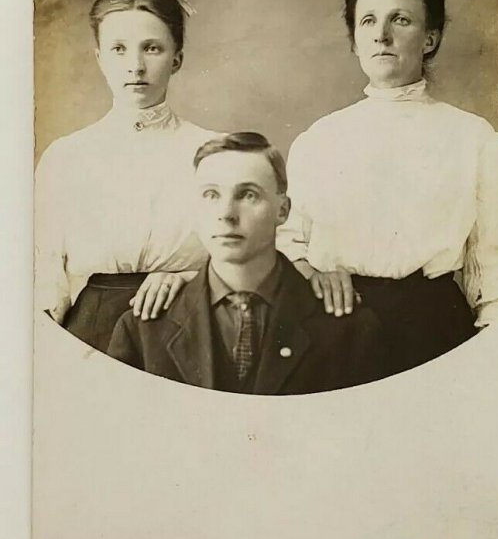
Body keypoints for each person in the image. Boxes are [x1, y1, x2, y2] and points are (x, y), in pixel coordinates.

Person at [277, 0, 498, 375]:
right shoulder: (319, 139)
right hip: (337, 329)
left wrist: (491, 355)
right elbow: (288, 243)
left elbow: (495, 272)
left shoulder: (475, 139)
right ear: (354, 40)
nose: (381, 35)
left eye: (400, 20)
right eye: (367, 21)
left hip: (433, 331)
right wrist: (310, 273)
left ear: (429, 39)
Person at [107, 132, 391, 394]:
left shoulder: (349, 330)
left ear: (283, 210)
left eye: (248, 195)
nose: (227, 214)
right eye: (211, 195)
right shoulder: (143, 328)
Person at [35, 0, 219, 353]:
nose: (135, 65)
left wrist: (188, 278)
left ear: (177, 59)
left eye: (152, 48)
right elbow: (45, 273)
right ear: (100, 58)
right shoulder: (68, 156)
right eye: (119, 49)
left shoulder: (214, 151)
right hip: (93, 327)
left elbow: (254, 259)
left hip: (189, 320)